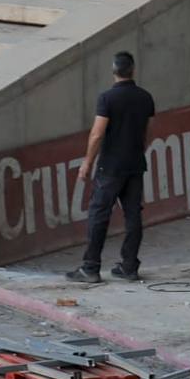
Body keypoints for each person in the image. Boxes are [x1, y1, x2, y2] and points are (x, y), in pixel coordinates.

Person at [67, 51, 156, 283]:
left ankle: (90, 267)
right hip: (136, 164)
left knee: (99, 213)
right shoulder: (146, 97)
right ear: (132, 70)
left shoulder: (107, 99)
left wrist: (87, 162)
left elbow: (97, 134)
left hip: (110, 166)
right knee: (133, 214)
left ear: (113, 71)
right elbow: (148, 131)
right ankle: (129, 266)